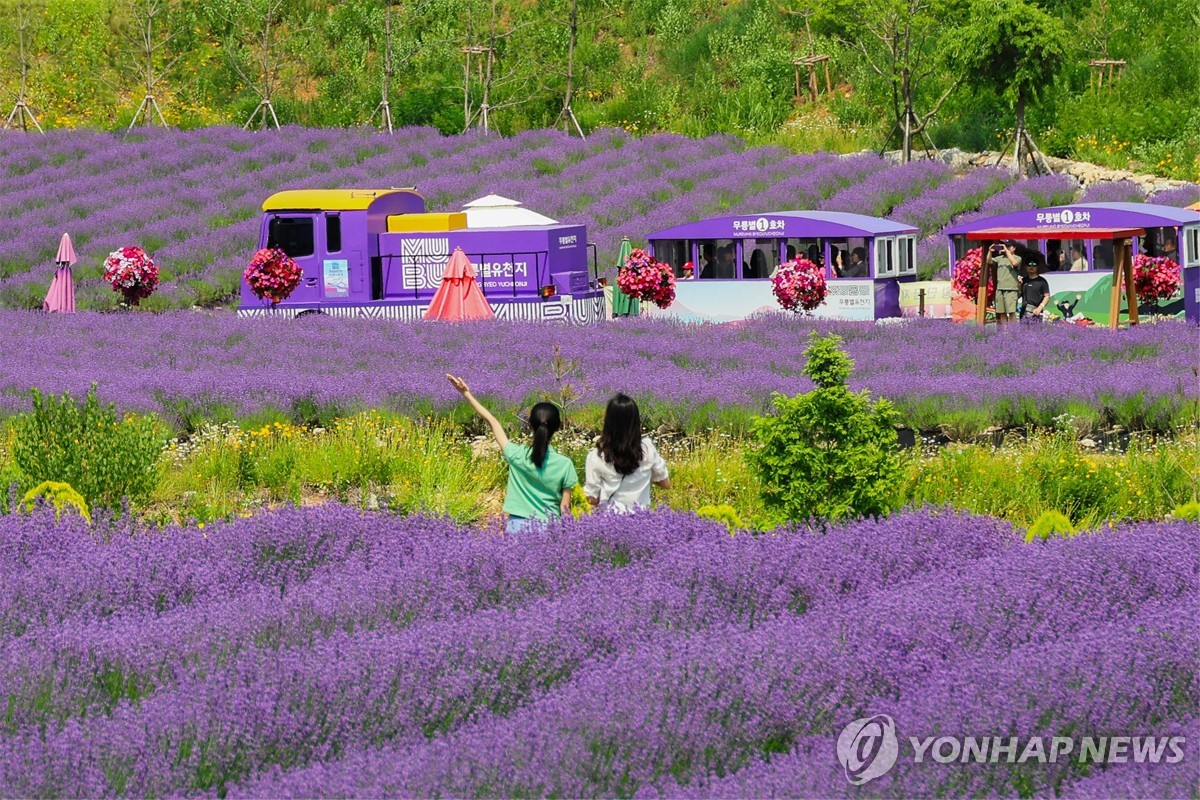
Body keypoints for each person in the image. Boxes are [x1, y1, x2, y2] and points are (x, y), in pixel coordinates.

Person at [446, 374, 578, 533]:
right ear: (557, 428)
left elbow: (492, 421)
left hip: (516, 528)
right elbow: (565, 510)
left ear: (529, 425)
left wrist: (466, 393)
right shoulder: (565, 464)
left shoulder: (516, 455)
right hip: (549, 530)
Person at [584, 393, 670, 514]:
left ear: (608, 422)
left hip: (609, 523)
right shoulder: (647, 450)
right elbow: (665, 484)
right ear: (635, 422)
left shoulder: (596, 456)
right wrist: (644, 476)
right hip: (642, 522)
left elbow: (592, 499)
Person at [991, 239, 1023, 324]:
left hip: (1011, 289)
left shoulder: (1017, 258)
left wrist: (1006, 251)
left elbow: (1015, 263)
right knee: (1002, 313)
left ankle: (1013, 333)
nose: (1006, 248)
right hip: (1000, 288)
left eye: (1009, 246)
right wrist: (989, 251)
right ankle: (1005, 334)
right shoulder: (1000, 258)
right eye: (1005, 246)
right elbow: (988, 261)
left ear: (1014, 248)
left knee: (1011, 312)